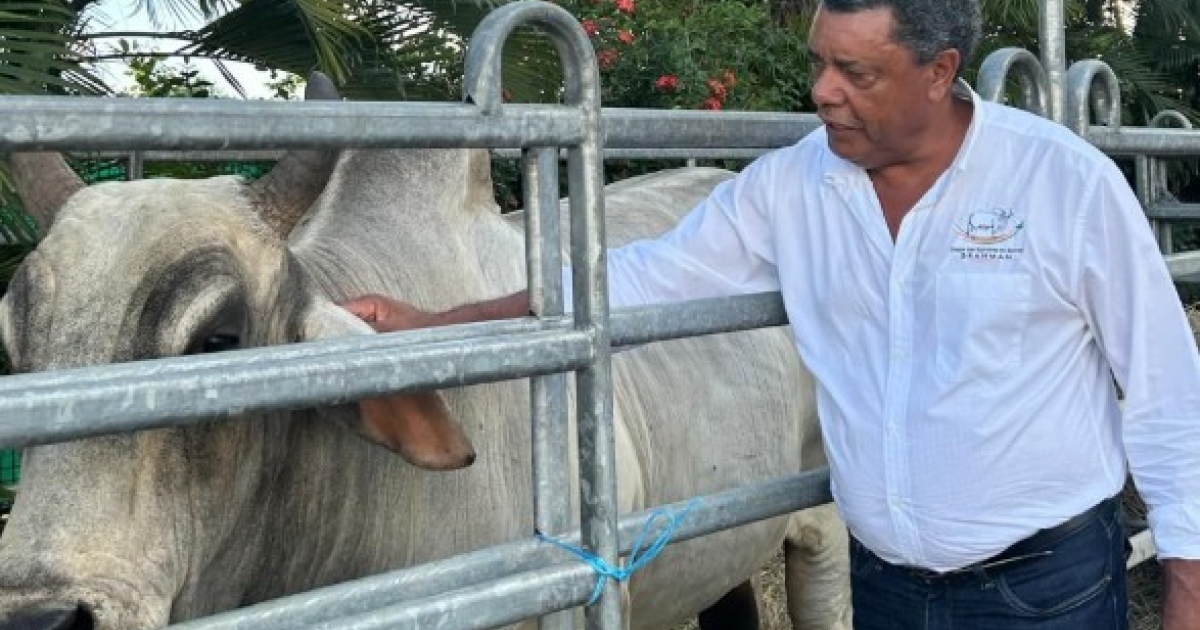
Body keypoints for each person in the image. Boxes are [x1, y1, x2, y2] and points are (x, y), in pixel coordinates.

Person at [342, 0, 1200, 627]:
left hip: (1044, 589)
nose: (823, 91)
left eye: (856, 73)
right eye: (820, 62)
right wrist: (441, 325)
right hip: (888, 587)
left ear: (939, 74)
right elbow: (640, 276)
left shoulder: (1062, 184)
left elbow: (1165, 388)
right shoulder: (795, 185)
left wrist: (1189, 584)